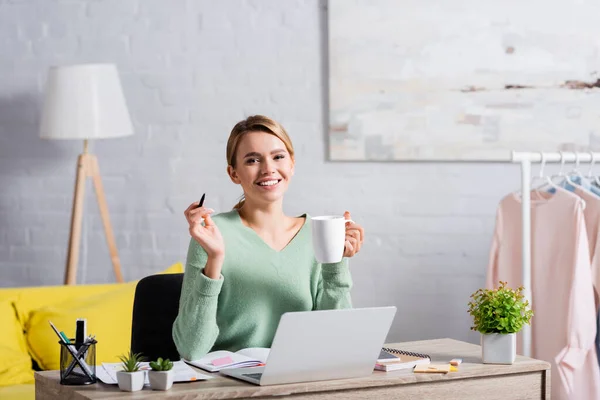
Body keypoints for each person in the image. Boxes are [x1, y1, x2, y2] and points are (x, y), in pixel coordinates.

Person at [172, 115, 365, 361]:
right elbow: (191, 348)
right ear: (234, 173)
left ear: (292, 164)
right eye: (252, 160)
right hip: (230, 382)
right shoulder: (211, 233)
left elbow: (337, 340)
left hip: (298, 375)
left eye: (278, 157)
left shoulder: (316, 234)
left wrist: (337, 262)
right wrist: (215, 259)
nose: (268, 169)